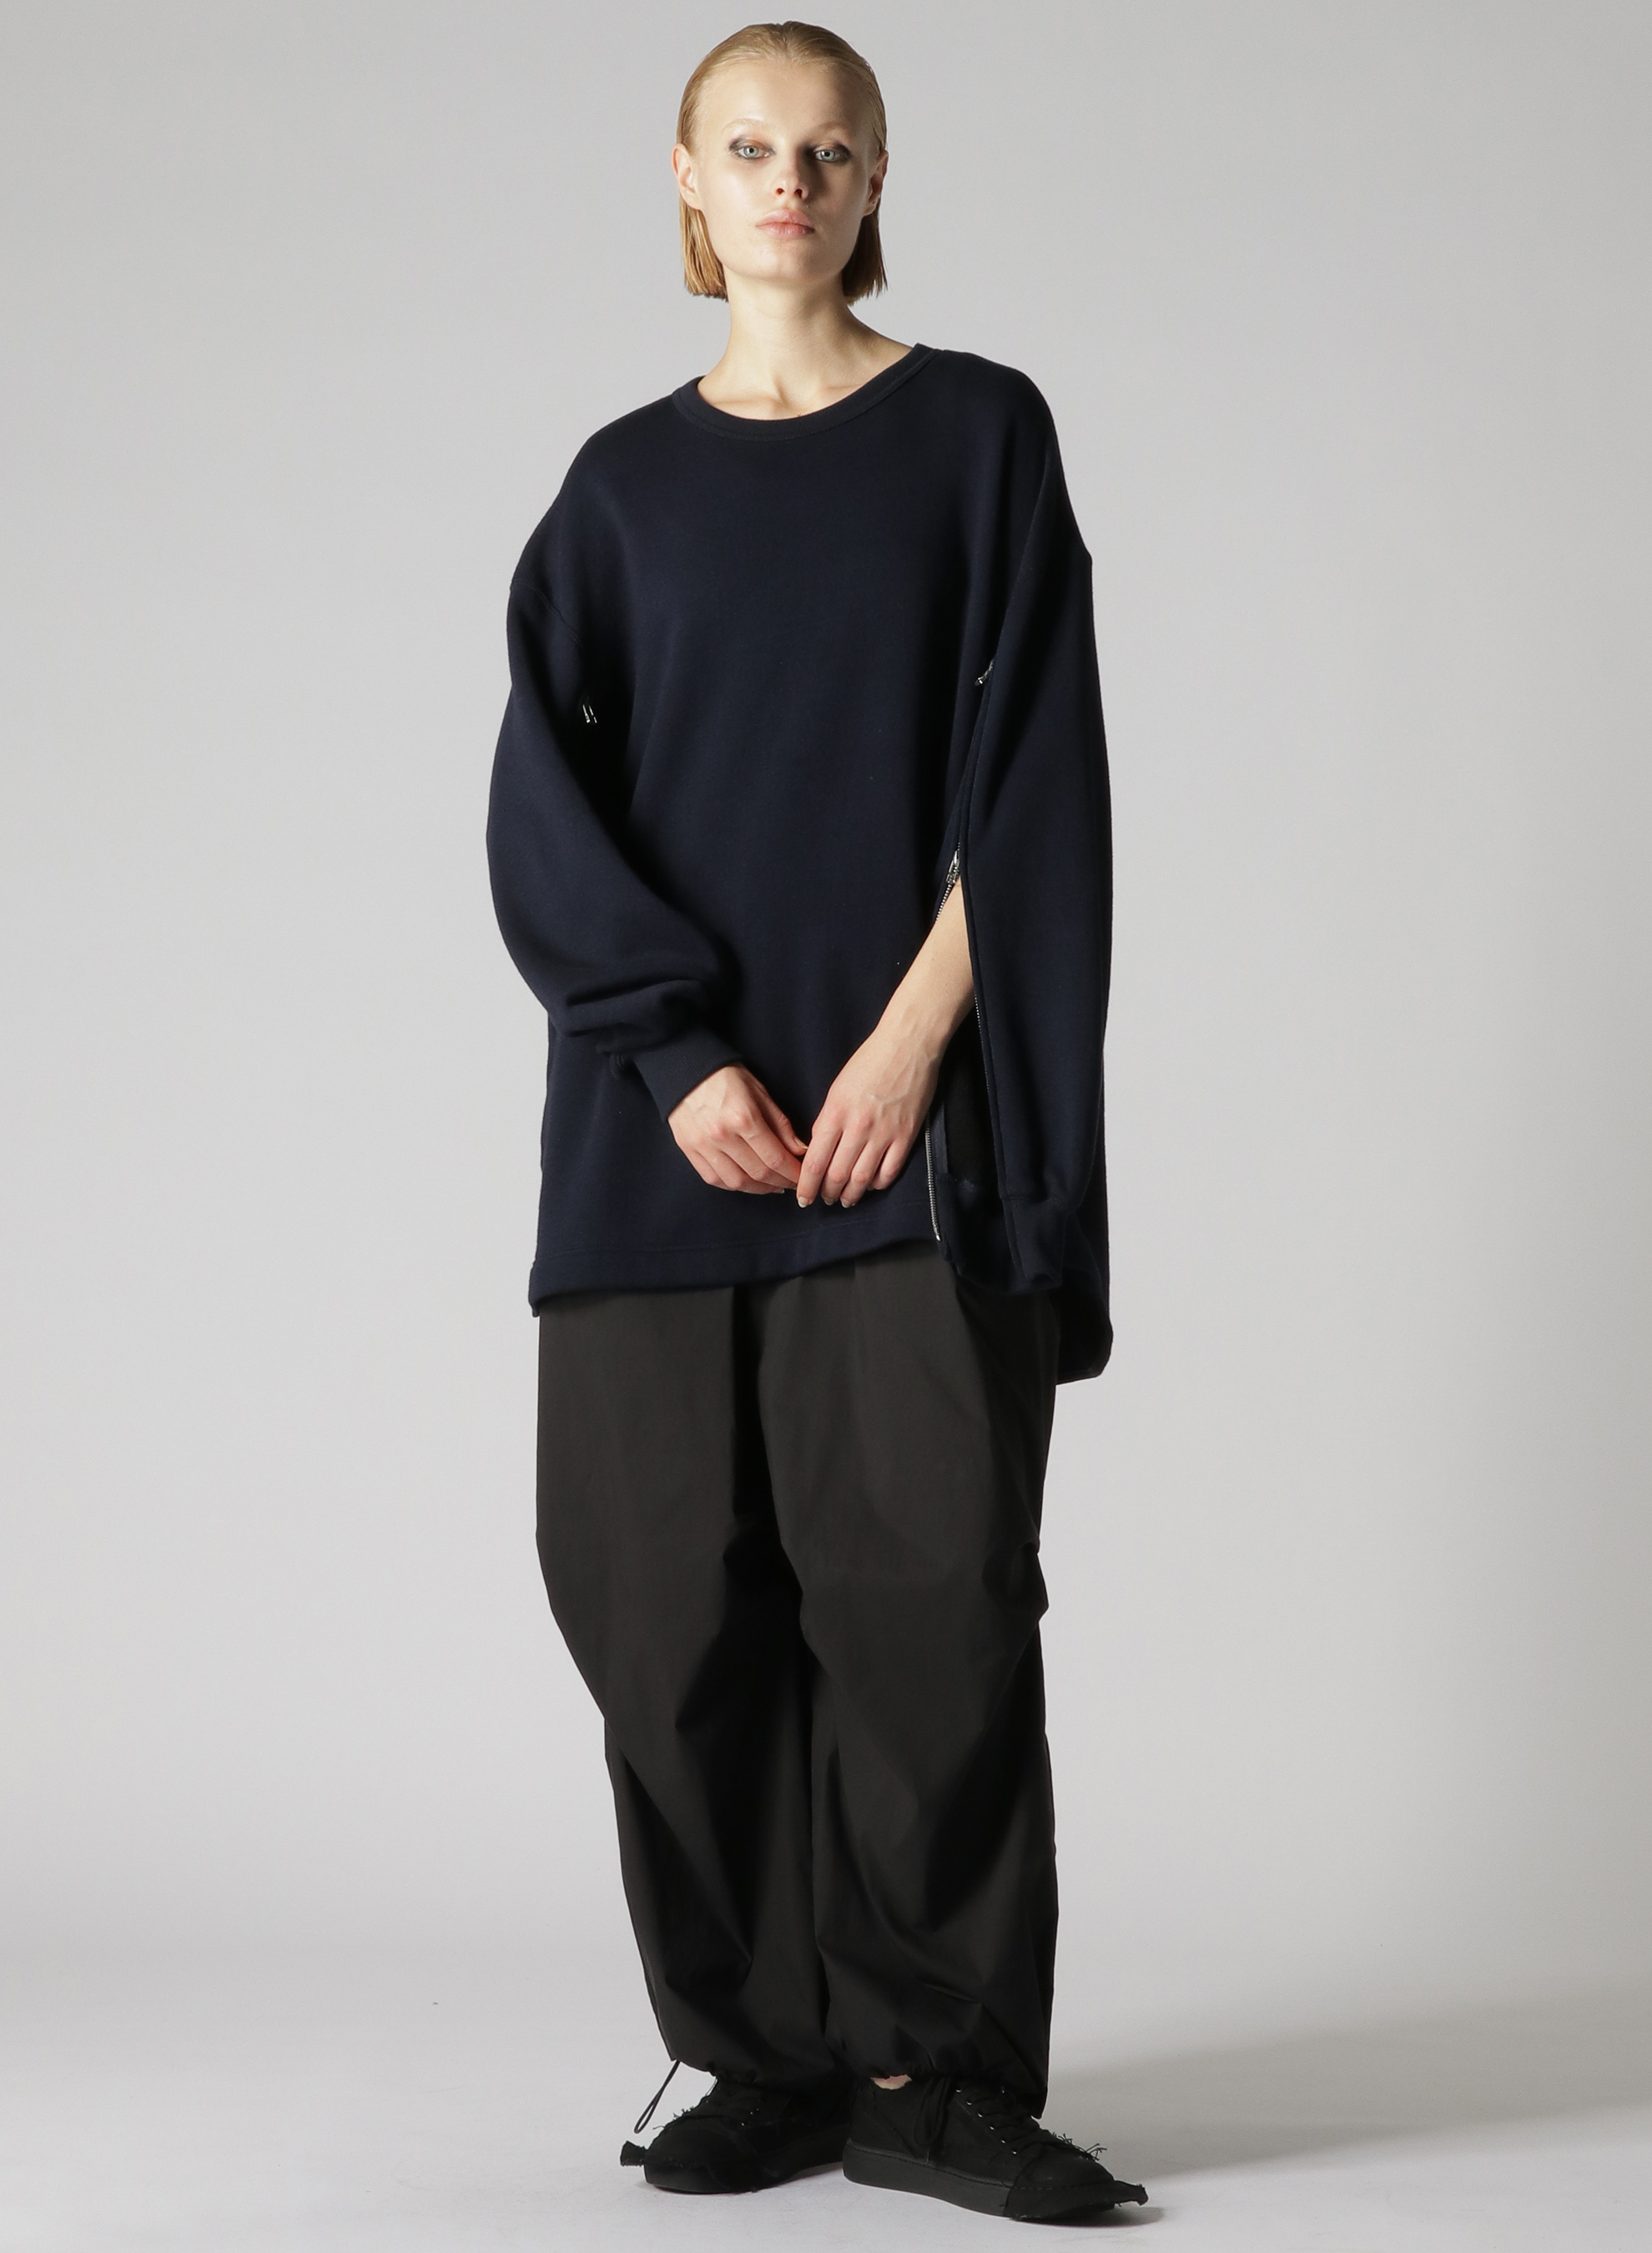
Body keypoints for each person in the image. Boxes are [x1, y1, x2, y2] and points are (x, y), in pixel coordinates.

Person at [486, 18, 1146, 2226]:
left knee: (930, 1599)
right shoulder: (615, 494)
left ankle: (930, 2072)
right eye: (751, 146)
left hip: (899, 1146)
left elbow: (1034, 782)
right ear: (687, 179)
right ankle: (761, 2053)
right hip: (662, 1152)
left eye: (831, 149)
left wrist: (907, 1046)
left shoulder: (976, 437)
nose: (791, 180)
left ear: (875, 182)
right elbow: (543, 816)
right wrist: (676, 1059)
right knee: (657, 1607)